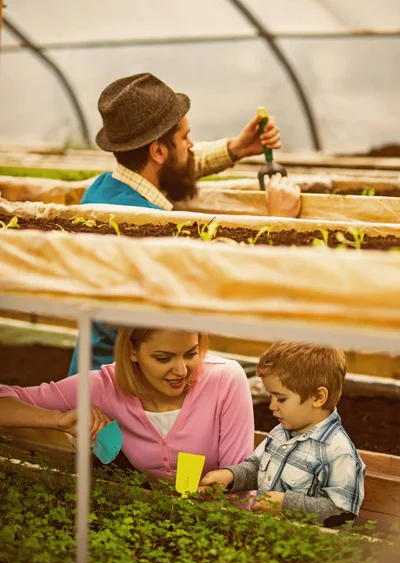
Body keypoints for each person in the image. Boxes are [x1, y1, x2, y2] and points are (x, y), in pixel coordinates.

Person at [68, 72, 301, 376]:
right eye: (185, 137)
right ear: (158, 151)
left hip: (83, 384)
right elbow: (222, 281)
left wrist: (237, 148)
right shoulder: (148, 228)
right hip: (116, 406)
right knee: (227, 379)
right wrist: (278, 223)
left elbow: (182, 165)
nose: (192, 145)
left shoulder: (103, 189)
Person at [0, 328, 254, 480]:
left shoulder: (225, 379)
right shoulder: (103, 386)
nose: (180, 370)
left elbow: (240, 483)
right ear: (132, 351)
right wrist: (57, 420)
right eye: (163, 358)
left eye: (191, 354)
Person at [200, 342, 366, 527]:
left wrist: (285, 504)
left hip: (307, 549)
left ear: (318, 397)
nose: (272, 406)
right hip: (262, 537)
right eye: (270, 397)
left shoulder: (337, 452)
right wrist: (230, 477)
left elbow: (342, 514)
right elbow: (257, 467)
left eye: (281, 398)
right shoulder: (280, 432)